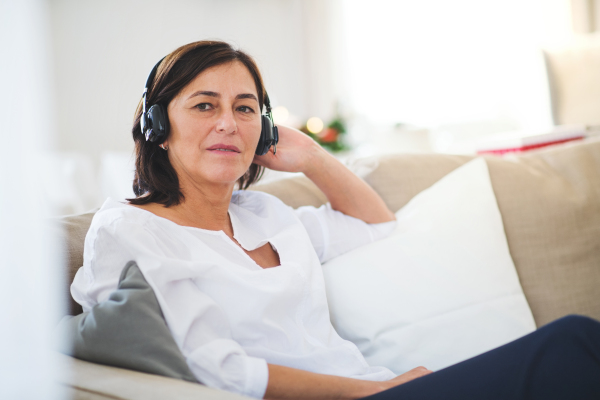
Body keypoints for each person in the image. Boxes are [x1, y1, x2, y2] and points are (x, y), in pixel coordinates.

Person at [71, 40, 600, 400]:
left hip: (378, 388)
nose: (229, 123)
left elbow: (377, 226)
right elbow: (215, 365)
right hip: (364, 395)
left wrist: (314, 159)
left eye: (247, 108)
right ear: (157, 124)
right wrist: (372, 391)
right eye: (205, 106)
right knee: (574, 344)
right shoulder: (131, 228)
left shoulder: (266, 214)